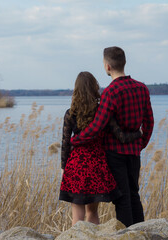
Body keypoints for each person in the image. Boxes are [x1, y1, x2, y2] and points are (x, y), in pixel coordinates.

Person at [71, 46, 154, 227]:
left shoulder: (111, 92)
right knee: (134, 194)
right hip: (134, 152)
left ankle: (128, 236)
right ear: (124, 63)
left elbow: (97, 127)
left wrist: (75, 140)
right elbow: (149, 122)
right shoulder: (142, 88)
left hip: (114, 153)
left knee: (123, 198)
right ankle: (140, 232)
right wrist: (141, 144)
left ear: (107, 66)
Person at [59, 71, 142, 226]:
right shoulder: (102, 112)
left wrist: (64, 167)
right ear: (94, 88)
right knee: (93, 212)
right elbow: (121, 136)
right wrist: (138, 133)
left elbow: (65, 144)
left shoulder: (70, 114)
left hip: (76, 166)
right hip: (96, 166)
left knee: (77, 217)